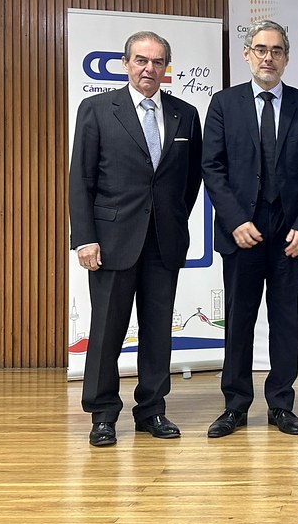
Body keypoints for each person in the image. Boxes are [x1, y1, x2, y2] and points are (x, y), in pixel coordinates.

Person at [69, 30, 203, 447]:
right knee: (106, 331)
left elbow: (190, 180)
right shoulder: (97, 109)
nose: (149, 68)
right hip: (111, 241)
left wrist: (173, 218)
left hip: (164, 240)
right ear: (126, 64)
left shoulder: (185, 114)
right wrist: (85, 238)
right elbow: (80, 179)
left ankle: (152, 410)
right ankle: (103, 414)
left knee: (158, 330)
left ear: (166, 68)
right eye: (141, 60)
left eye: (158, 61)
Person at [201, 20, 298, 438]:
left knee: (285, 320)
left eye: (276, 51)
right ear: (247, 54)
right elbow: (212, 168)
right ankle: (235, 405)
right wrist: (236, 221)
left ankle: (281, 404)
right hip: (242, 231)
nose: (268, 57)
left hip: (290, 233)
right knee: (239, 320)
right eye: (261, 49)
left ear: (287, 58)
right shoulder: (224, 104)